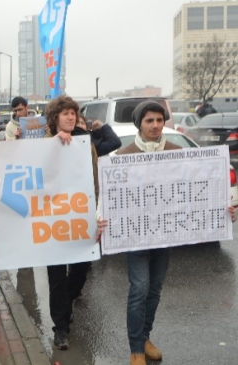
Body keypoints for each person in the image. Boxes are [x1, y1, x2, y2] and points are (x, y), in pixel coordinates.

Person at [96, 100, 236, 365]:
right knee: (139, 288)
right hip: (135, 236)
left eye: (159, 120)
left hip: (166, 235)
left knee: (155, 289)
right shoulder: (122, 156)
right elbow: (107, 198)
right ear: (140, 123)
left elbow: (203, 189)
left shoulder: (178, 152)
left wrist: (224, 211)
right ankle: (136, 347)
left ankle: (145, 337)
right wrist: (100, 219)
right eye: (149, 120)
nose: (155, 125)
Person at [43, 95, 99, 351]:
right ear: (55, 118)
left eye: (73, 113)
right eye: (65, 113)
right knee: (55, 276)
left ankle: (65, 303)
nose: (70, 117)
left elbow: (94, 176)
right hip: (52, 218)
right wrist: (53, 145)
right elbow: (36, 171)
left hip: (79, 215)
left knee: (80, 269)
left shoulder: (85, 143)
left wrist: (96, 211)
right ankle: (60, 328)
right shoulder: (42, 143)